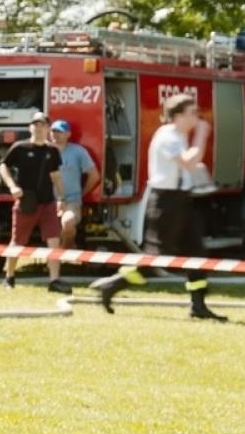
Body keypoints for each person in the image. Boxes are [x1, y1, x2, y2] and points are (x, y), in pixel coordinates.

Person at [93, 94, 227, 320]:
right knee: (159, 258)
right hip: (165, 202)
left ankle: (198, 306)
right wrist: (202, 135)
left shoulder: (179, 135)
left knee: (197, 253)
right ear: (178, 115)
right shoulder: (168, 136)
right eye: (192, 113)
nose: (197, 117)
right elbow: (188, 161)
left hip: (182, 199)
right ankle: (114, 284)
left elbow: (189, 166)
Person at [0, 112, 72, 293]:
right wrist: (12, 186)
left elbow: (56, 176)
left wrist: (62, 198)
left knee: (54, 241)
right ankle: (9, 278)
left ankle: (54, 281)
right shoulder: (19, 147)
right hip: (26, 203)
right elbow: (3, 166)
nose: (38, 128)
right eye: (35, 124)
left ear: (48, 128)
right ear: (30, 127)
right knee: (17, 242)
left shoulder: (52, 151)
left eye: (42, 125)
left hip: (48, 203)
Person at [51, 120, 100, 249]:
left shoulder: (78, 151)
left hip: (71, 201)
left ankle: (63, 251)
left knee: (68, 222)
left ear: (68, 134)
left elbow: (94, 176)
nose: (55, 134)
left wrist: (82, 194)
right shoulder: (45, 151)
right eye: (53, 131)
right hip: (47, 202)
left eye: (59, 132)